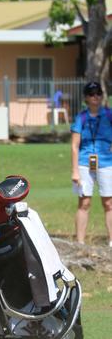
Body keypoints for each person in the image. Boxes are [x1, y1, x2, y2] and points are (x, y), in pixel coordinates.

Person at [70, 81, 112, 247]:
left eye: (98, 93)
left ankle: (111, 242)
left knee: (109, 203)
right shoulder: (81, 117)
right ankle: (80, 243)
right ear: (86, 97)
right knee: (84, 202)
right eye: (92, 94)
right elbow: (74, 145)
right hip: (84, 163)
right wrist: (74, 171)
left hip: (106, 162)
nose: (96, 97)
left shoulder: (109, 115)